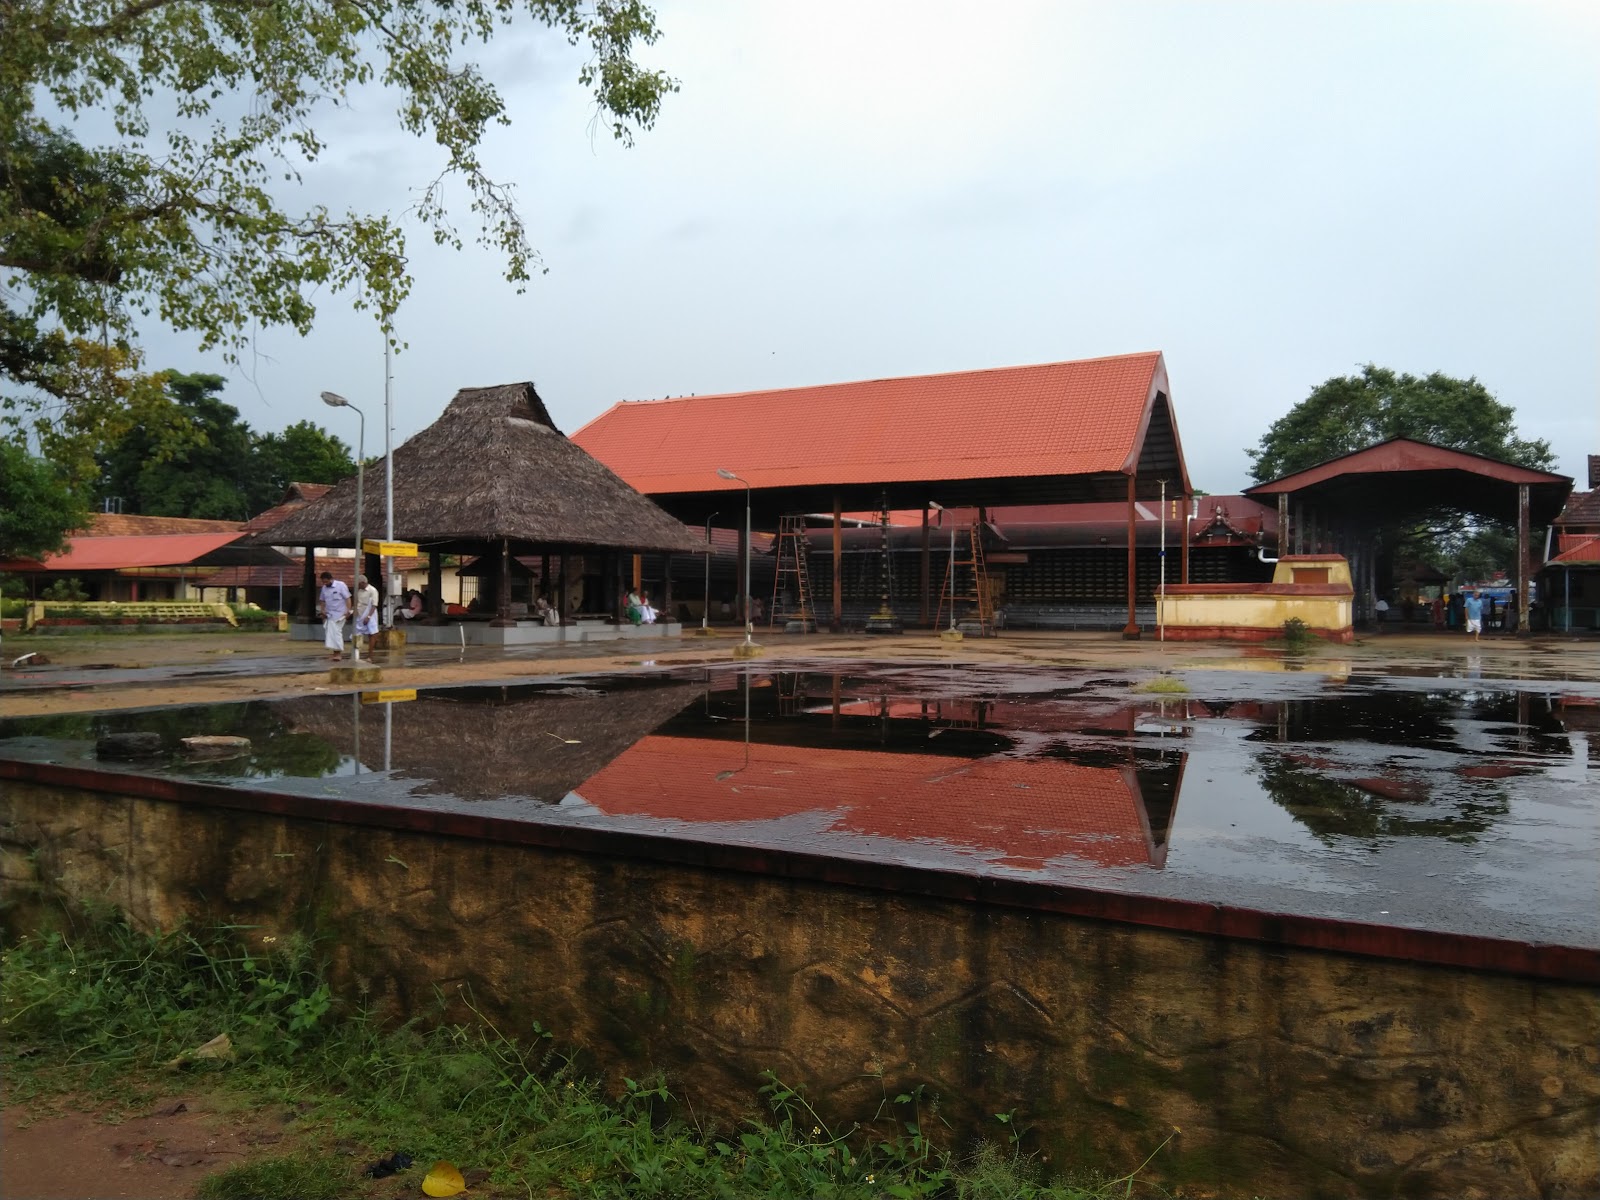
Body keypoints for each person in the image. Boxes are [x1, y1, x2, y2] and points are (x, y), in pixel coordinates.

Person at [317, 571, 351, 660]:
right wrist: (323, 611)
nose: (325, 584)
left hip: (341, 614)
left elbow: (347, 598)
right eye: (323, 582)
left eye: (326, 582)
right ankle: (335, 653)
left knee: (336, 632)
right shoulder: (324, 588)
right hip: (330, 614)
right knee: (331, 634)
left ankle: (338, 653)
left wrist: (348, 611)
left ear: (331, 579)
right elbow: (322, 600)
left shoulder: (341, 585)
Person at [353, 574, 379, 650]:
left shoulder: (372, 590)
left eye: (358, 584)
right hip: (360, 613)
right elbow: (357, 602)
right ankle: (356, 653)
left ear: (363, 582)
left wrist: (368, 616)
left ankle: (370, 656)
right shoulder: (359, 591)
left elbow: (374, 605)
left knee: (372, 634)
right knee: (357, 634)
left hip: (370, 613)